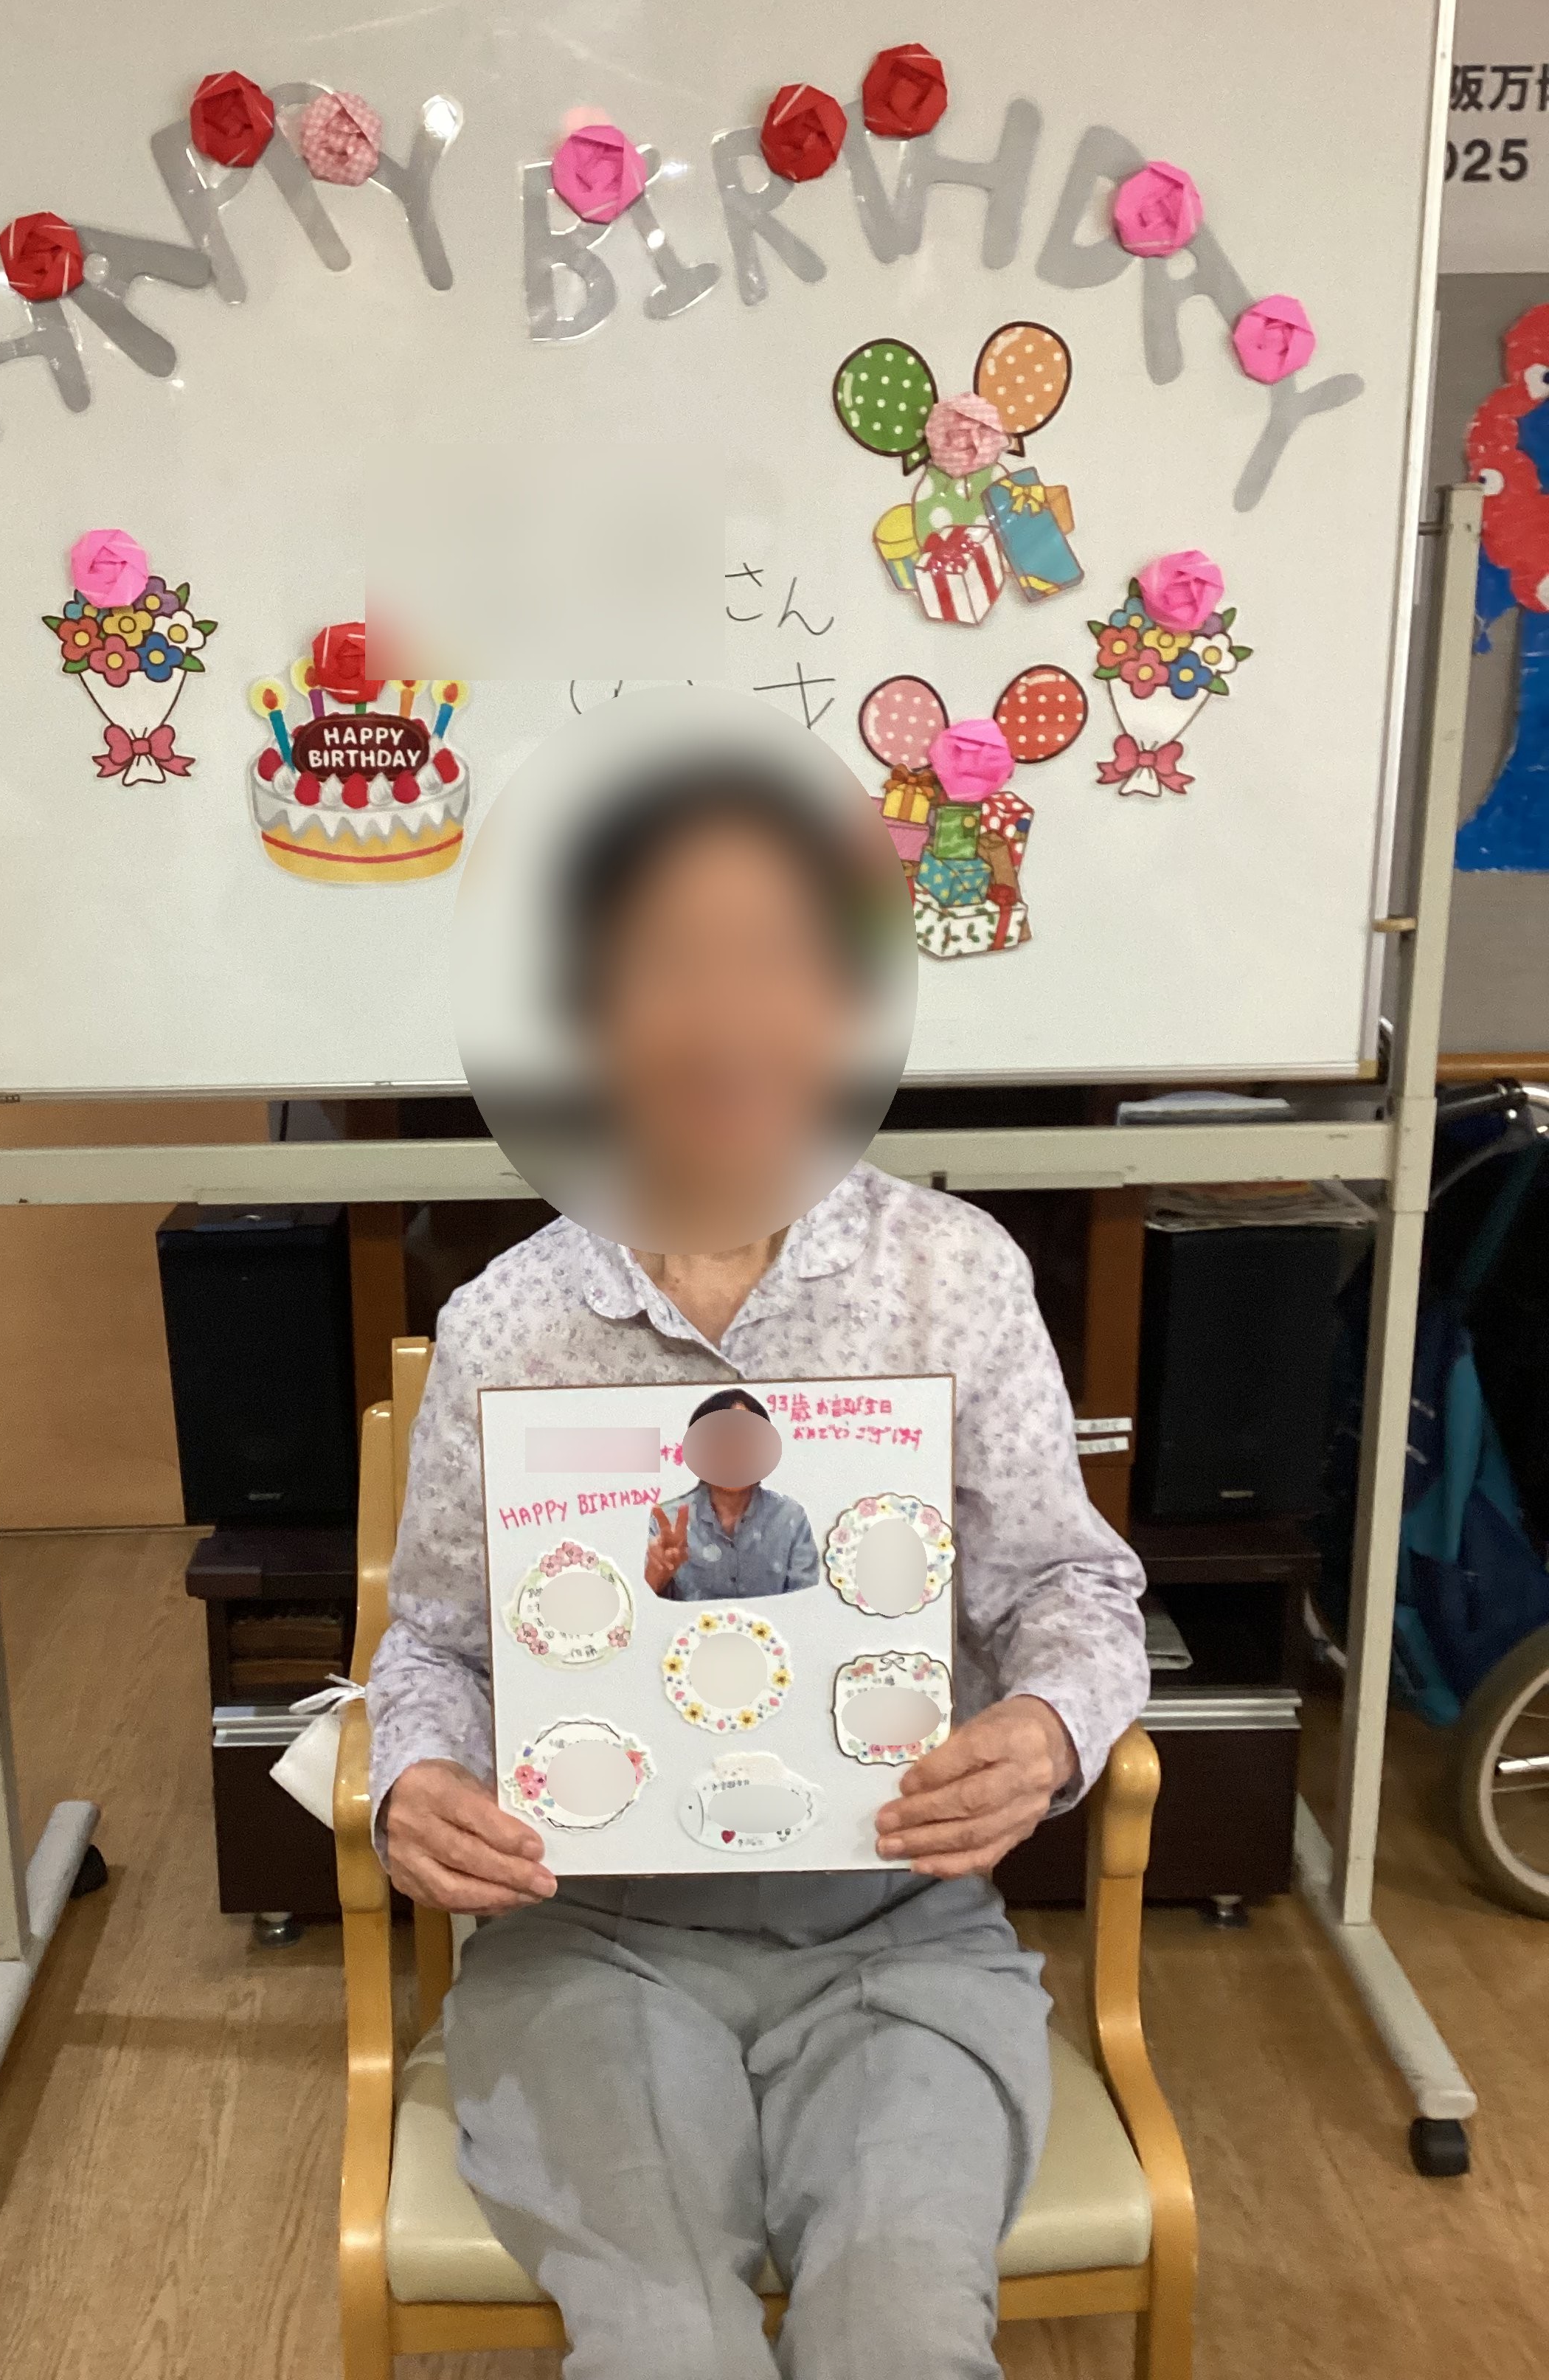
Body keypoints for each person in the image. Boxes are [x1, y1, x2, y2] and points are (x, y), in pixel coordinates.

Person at [369, 742, 1148, 2380]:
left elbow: (1067, 1589)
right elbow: (435, 1644)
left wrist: (1046, 1730)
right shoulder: (510, 1323)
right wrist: (414, 1783)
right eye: (672, 961)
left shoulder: (952, 1276)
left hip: (896, 1931)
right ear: (588, 1008)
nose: (729, 1017)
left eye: (781, 958)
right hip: (591, 1934)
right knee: (664, 2346)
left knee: (900, 2334)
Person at [646, 1387, 821, 1601]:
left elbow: (808, 1602)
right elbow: (643, 1605)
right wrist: (657, 1574)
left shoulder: (790, 1518)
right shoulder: (667, 1521)